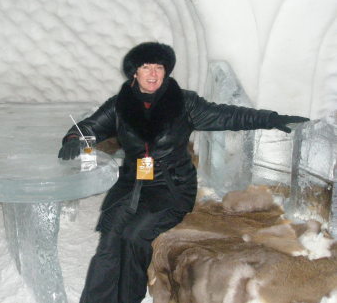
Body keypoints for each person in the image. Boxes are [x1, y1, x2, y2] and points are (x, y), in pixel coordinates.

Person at [57, 42, 309, 303]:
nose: (153, 74)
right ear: (134, 73)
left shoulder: (183, 103)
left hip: (171, 187)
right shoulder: (120, 105)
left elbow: (226, 115)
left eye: (159, 67)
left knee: (134, 236)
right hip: (132, 184)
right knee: (110, 240)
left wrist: (270, 118)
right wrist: (75, 138)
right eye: (146, 68)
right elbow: (90, 126)